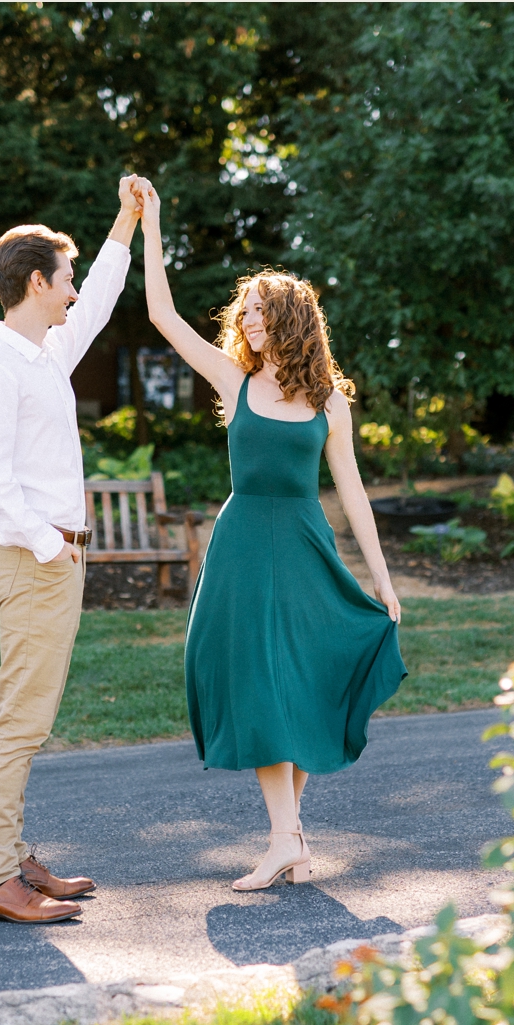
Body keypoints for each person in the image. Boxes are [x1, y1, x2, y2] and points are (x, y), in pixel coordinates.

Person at [137, 181, 407, 892]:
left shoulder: (329, 403)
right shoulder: (235, 380)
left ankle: (290, 841)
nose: (248, 322)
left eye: (259, 312)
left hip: (306, 548)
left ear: (290, 319)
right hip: (244, 550)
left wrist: (382, 580)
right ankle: (287, 840)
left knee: (304, 682)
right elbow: (162, 314)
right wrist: (152, 223)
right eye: (246, 312)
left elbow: (353, 494)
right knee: (260, 685)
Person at [0, 175, 145, 923]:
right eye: (64, 278)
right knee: (21, 723)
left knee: (30, 719)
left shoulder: (43, 356)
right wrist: (44, 545)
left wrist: (126, 221)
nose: (72, 290)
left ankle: (12, 857)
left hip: (57, 561)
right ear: (37, 283)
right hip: (36, 561)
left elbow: (99, 299)